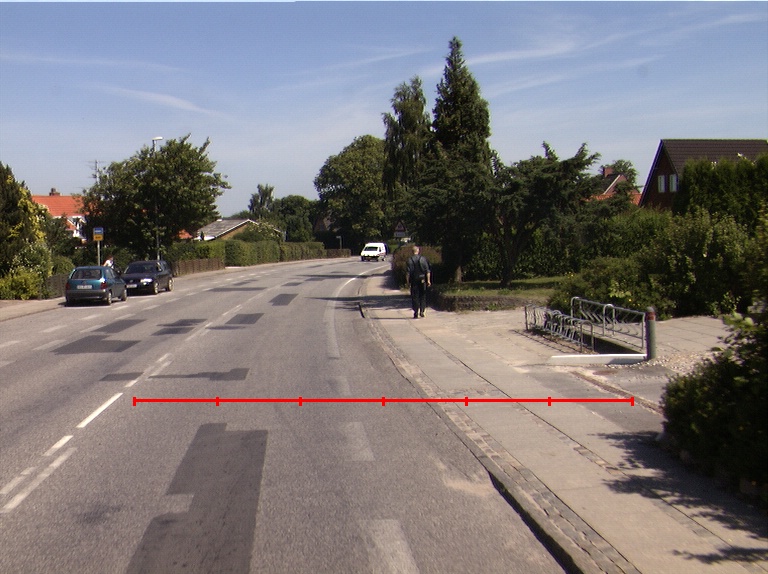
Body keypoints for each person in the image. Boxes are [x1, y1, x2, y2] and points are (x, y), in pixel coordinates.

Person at [405, 245, 431, 318]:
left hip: (414, 280)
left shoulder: (409, 260)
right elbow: (427, 271)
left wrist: (407, 282)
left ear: (412, 252)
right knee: (423, 295)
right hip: (422, 279)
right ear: (418, 251)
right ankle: (422, 310)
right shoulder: (423, 259)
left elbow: (407, 273)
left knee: (414, 296)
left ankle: (416, 311)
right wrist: (428, 280)